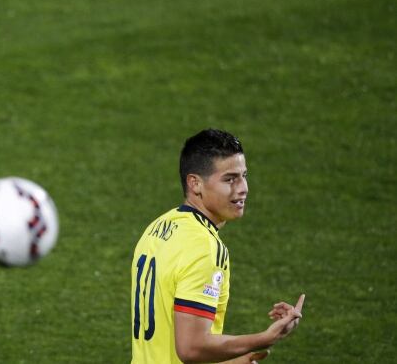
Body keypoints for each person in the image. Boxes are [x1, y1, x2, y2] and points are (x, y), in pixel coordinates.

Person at [130, 129, 305, 364]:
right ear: (195, 184)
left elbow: (167, 343)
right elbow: (191, 348)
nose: (243, 188)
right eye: (230, 179)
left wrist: (239, 359)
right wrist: (264, 338)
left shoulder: (158, 227)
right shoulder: (205, 247)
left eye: (244, 175)